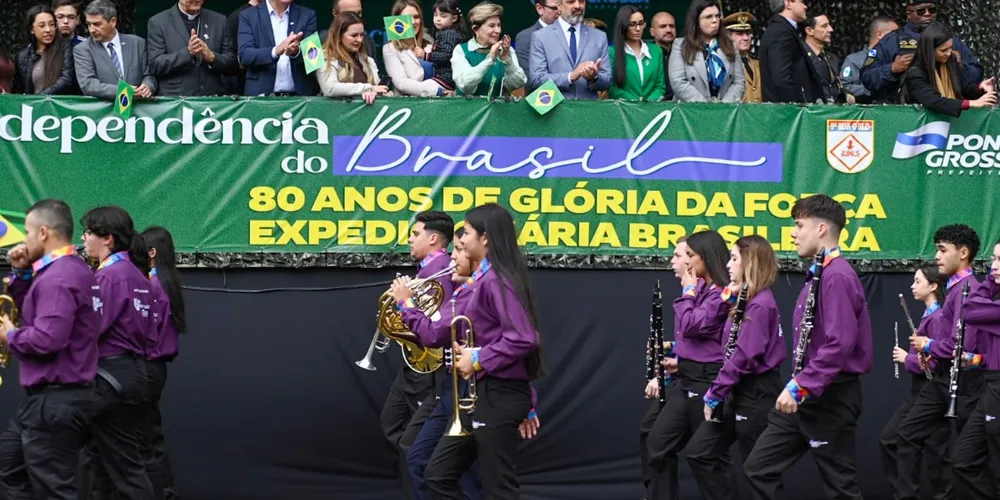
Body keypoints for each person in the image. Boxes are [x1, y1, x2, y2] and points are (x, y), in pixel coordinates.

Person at [743, 194, 873, 500]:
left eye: (799, 225)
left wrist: (801, 386)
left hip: (829, 396)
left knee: (840, 487)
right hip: (807, 393)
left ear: (821, 229)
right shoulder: (822, 273)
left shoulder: (837, 275)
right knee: (758, 467)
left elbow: (840, 343)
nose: (792, 232)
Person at [423, 203, 542, 499]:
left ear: (485, 238)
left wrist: (475, 358)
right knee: (437, 476)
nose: (460, 239)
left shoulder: (497, 281)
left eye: (467, 232)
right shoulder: (487, 280)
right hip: (485, 392)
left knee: (499, 487)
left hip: (497, 394)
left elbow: (524, 338)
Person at [0, 199, 101, 500]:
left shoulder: (59, 278)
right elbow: (37, 310)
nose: (24, 241)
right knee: (11, 466)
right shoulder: (69, 270)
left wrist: (10, 335)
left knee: (54, 490)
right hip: (51, 401)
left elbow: (47, 339)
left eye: (28, 233)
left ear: (43, 233)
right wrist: (22, 275)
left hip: (55, 402)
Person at [684, 235, 785, 500]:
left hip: (757, 393)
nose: (728, 265)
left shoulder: (761, 304)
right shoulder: (743, 300)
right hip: (737, 390)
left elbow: (744, 356)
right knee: (699, 452)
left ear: (750, 263)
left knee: (759, 471)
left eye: (734, 258)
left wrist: (715, 393)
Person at [392, 226, 484, 500]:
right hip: (449, 382)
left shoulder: (480, 288)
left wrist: (406, 305)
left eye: (458, 250)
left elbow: (434, 332)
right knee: (420, 459)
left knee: (456, 470)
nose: (451, 258)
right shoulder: (460, 288)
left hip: (470, 387)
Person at [646, 230, 736, 500]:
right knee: (657, 444)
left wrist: (687, 292)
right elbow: (695, 337)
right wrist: (674, 351)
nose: (682, 262)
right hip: (687, 378)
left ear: (704, 259)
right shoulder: (700, 291)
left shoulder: (721, 294)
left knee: (710, 458)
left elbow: (693, 325)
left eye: (689, 256)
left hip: (709, 380)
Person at [900, 224, 985, 500]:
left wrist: (928, 345)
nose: (937, 256)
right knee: (907, 434)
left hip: (966, 382)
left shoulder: (969, 289)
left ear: (963, 253)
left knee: (965, 457)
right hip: (943, 381)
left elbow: (963, 345)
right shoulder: (956, 288)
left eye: (942, 250)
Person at [79, 206, 157, 499]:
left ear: (107, 238)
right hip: (132, 373)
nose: (84, 239)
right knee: (108, 465)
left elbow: (89, 329)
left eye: (88, 233)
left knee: (45, 446)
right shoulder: (138, 276)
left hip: (108, 378)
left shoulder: (109, 277)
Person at [380, 211, 457, 498]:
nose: (410, 240)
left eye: (415, 234)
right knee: (401, 434)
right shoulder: (427, 271)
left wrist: (404, 303)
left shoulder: (439, 272)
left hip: (432, 366)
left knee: (416, 445)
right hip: (419, 365)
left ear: (433, 238)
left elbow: (437, 327)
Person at [880, 263, 951, 500]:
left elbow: (934, 362)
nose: (912, 285)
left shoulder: (939, 317)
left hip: (930, 388)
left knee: (934, 449)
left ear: (933, 286)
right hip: (918, 390)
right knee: (890, 439)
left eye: (918, 281)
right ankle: (904, 493)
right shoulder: (928, 315)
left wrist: (906, 358)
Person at [860, 0, 982, 104]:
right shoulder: (891, 42)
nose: (927, 14)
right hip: (902, 112)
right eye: (921, 11)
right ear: (909, 13)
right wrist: (891, 69)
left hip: (945, 111)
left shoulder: (951, 41)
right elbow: (866, 77)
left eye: (932, 10)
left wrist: (959, 65)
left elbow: (977, 73)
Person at [638, 236, 687, 499]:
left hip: (698, 381)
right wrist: (668, 346)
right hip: (681, 377)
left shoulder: (703, 294)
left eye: (678, 255)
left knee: (706, 454)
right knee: (650, 432)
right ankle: (655, 492)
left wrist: (664, 374)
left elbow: (709, 346)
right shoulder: (687, 293)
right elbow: (690, 342)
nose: (672, 261)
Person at [140, 226, 186, 499]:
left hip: (147, 368)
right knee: (149, 437)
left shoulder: (153, 287)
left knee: (144, 439)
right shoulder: (167, 284)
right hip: (156, 371)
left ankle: (163, 493)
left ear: (152, 252)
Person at [956, 238, 1000, 499]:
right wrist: (976, 360)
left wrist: (987, 284)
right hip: (990, 385)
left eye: (999, 260)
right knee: (964, 459)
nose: (994, 267)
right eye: (994, 259)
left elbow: (970, 309)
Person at [902, 21, 996, 117]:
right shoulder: (915, 73)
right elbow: (934, 101)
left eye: (950, 48)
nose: (949, 53)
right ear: (930, 51)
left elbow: (964, 88)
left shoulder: (951, 60)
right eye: (943, 50)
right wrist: (971, 103)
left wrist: (980, 87)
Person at [146, 0, 239, 97]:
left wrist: (212, 57)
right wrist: (187, 53)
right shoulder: (158, 22)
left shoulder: (220, 21)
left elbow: (232, 65)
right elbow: (155, 65)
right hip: (176, 100)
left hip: (212, 100)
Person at [74, 0, 157, 100]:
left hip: (139, 110)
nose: (92, 29)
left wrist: (148, 86)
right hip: (103, 112)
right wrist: (123, 90)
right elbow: (88, 84)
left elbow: (149, 75)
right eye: (89, 24)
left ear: (113, 22)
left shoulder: (137, 43)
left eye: (97, 24)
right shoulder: (83, 49)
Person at [527, 0, 611, 100]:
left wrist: (594, 77)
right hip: (555, 111)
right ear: (559, 5)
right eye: (571, 2)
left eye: (581, 1)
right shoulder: (540, 37)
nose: (577, 6)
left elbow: (608, 81)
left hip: (589, 111)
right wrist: (570, 77)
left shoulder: (599, 36)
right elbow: (536, 79)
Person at [237, 0, 319, 96]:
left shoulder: (307, 15)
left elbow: (315, 59)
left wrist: (296, 52)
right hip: (261, 98)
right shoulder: (249, 15)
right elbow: (245, 55)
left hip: (301, 98)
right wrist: (275, 51)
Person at [668, 0, 744, 102]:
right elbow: (678, 82)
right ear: (696, 20)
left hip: (725, 111)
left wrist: (724, 105)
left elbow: (739, 82)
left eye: (717, 16)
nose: (715, 20)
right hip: (691, 111)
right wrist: (705, 107)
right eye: (708, 17)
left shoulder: (731, 45)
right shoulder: (681, 45)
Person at [450, 2, 526, 99]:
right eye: (492, 26)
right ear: (476, 29)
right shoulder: (461, 51)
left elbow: (517, 84)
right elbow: (466, 86)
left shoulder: (507, 50)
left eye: (499, 25)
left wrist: (508, 61)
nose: (498, 30)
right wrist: (489, 60)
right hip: (467, 112)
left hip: (497, 112)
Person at [758, 0, 824, 103]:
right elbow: (781, 78)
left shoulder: (783, 30)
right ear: (788, 3)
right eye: (802, 2)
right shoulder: (781, 32)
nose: (805, 6)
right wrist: (796, 108)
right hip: (788, 113)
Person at [14, 4, 76, 95]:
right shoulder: (23, 56)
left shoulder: (66, 47)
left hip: (58, 106)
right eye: (42, 25)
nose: (48, 30)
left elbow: (67, 79)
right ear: (31, 29)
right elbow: (18, 89)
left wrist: (40, 98)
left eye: (52, 25)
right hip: (33, 107)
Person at [608, 5, 666, 101]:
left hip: (652, 109)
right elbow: (611, 88)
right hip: (624, 109)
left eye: (641, 23)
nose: (638, 28)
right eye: (632, 24)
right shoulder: (612, 52)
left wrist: (647, 103)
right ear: (623, 26)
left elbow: (660, 86)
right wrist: (635, 102)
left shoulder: (656, 51)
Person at [723, 11, 761, 103]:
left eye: (748, 33)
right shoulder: (723, 65)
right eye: (740, 34)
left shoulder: (757, 63)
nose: (746, 38)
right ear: (728, 37)